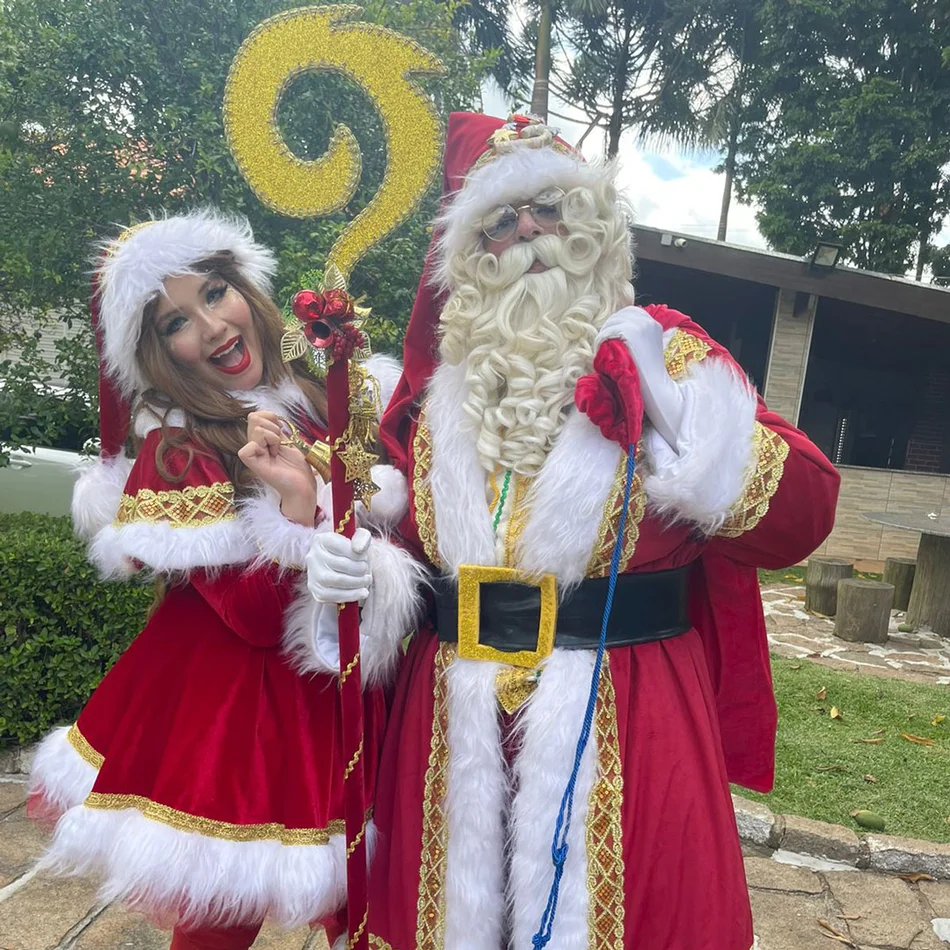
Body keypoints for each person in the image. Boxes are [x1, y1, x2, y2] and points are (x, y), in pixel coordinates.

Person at [363, 113, 841, 950]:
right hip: (449, 721)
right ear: (468, 257)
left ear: (591, 225)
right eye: (500, 221)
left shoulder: (668, 354)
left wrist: (676, 413)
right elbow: (398, 556)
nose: (527, 234)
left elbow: (803, 517)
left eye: (547, 208)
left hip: (629, 714)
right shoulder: (437, 394)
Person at [26, 210, 423, 950]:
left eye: (214, 292)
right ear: (158, 352)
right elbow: (249, 615)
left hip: (358, 692)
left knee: (372, 902)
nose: (209, 327)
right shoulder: (180, 448)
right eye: (176, 321)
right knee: (221, 914)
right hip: (237, 720)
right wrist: (298, 507)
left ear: (246, 288)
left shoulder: (329, 394)